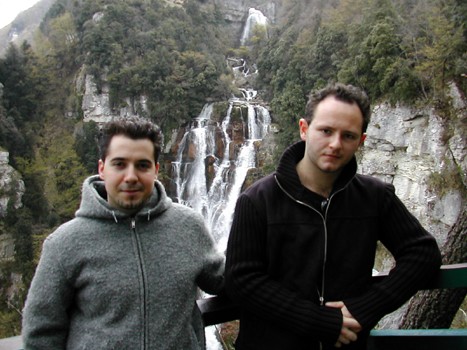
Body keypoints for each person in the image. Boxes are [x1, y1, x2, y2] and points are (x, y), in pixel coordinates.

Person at [224, 83, 441, 350]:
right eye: (326, 131)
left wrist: (369, 306)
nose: (335, 144)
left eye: (348, 136)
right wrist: (320, 321)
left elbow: (423, 253)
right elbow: (240, 280)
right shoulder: (258, 199)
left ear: (361, 141)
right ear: (304, 129)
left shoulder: (375, 197)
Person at [22, 117, 225, 349]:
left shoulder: (189, 226)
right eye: (119, 164)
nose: (131, 176)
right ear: (102, 169)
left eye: (142, 165)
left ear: (156, 170)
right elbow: (41, 334)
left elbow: (226, 280)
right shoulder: (64, 244)